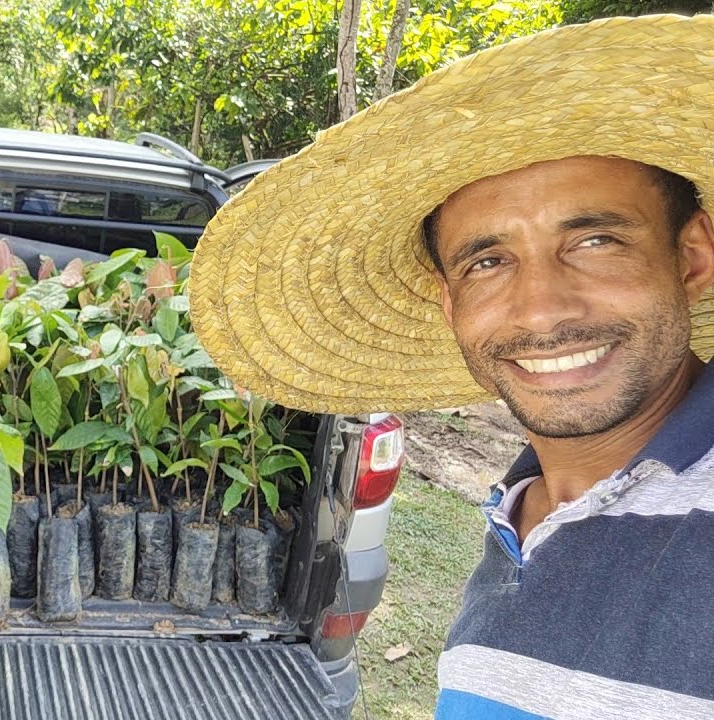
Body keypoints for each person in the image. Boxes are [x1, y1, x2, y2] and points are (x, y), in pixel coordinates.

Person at [188, 13, 713, 719]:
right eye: (488, 261)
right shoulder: (522, 510)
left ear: (692, 258)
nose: (540, 311)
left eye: (594, 241)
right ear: (449, 302)